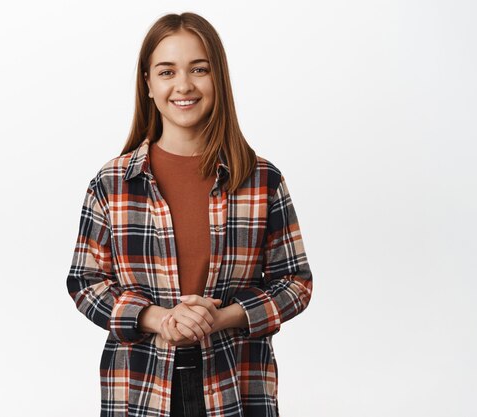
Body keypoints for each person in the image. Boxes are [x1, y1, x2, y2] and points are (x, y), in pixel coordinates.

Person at [66, 12, 313, 417]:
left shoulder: (261, 179)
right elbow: (85, 283)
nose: (183, 85)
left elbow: (296, 283)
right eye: (167, 71)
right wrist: (156, 318)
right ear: (147, 83)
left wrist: (225, 317)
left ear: (219, 78)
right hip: (140, 388)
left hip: (235, 386)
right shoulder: (112, 182)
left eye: (199, 69)